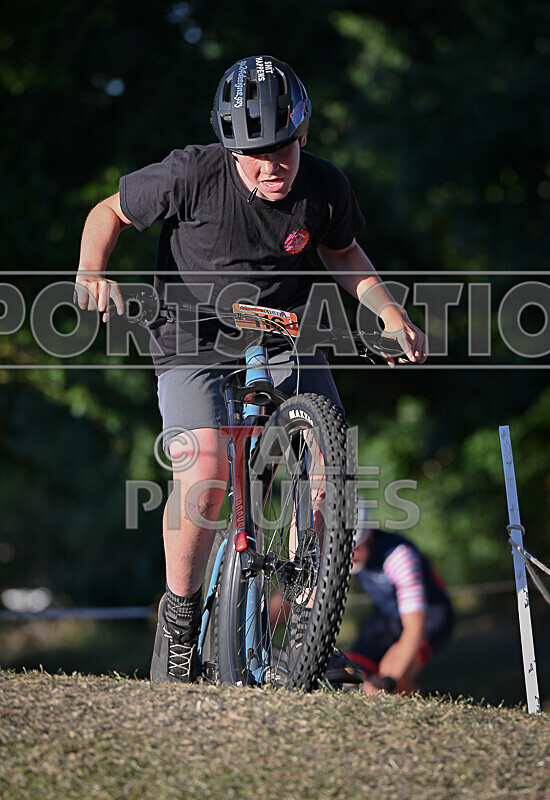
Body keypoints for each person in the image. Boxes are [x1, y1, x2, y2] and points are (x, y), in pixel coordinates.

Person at [74, 55, 427, 684]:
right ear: (229, 146)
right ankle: (181, 623)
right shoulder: (190, 173)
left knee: (329, 468)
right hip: (193, 337)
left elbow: (342, 251)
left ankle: (309, 632)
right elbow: (109, 212)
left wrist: (389, 313)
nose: (270, 165)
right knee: (205, 469)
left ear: (304, 135)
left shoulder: (325, 187)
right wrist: (92, 272)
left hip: (285, 333)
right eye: (253, 152)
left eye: (283, 149)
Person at [347, 509, 454, 694]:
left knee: (386, 684)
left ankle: (433, 707)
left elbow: (415, 628)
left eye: (355, 548)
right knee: (348, 678)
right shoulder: (347, 553)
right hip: (387, 616)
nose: (350, 555)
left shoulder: (399, 556)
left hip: (428, 618)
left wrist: (391, 679)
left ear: (368, 536)